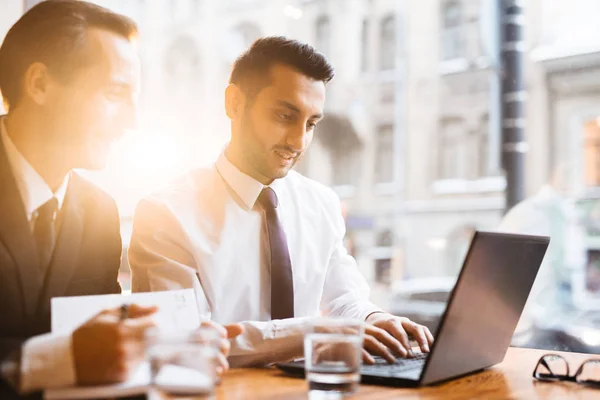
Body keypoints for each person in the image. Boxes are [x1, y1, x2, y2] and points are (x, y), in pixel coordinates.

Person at [129, 37, 434, 367]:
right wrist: (309, 333)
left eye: (312, 123)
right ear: (234, 103)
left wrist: (374, 319)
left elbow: (346, 300)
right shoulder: (165, 214)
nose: (299, 141)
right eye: (284, 115)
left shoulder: (322, 203)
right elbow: (181, 343)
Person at [0, 2, 238, 397]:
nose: (131, 121)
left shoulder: (98, 212)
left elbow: (94, 342)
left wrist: (162, 346)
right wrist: (49, 360)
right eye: (115, 93)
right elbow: (69, 352)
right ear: (39, 84)